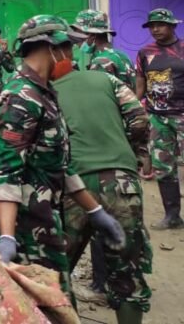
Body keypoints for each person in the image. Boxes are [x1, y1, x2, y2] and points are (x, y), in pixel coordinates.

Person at [0, 15, 125, 299]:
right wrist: (7, 238)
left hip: (44, 214)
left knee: (56, 298)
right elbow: (5, 171)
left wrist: (94, 211)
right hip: (24, 223)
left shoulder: (44, 93)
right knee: (43, 303)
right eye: (69, 48)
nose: (72, 55)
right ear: (51, 47)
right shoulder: (21, 99)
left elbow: (57, 163)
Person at [55, 68, 152, 324]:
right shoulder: (107, 80)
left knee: (56, 271)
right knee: (127, 272)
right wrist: (129, 150)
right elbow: (139, 119)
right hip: (121, 182)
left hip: (73, 185)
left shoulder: (42, 90)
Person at [135, 8, 184, 230]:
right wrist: (135, 108)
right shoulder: (145, 52)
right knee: (164, 167)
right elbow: (140, 83)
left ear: (173, 26)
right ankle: (172, 215)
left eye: (160, 24)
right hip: (157, 118)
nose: (155, 29)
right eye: (151, 25)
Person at [72, 9, 137, 89]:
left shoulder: (100, 61)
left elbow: (98, 95)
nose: (76, 39)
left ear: (91, 35)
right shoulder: (120, 54)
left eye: (78, 34)